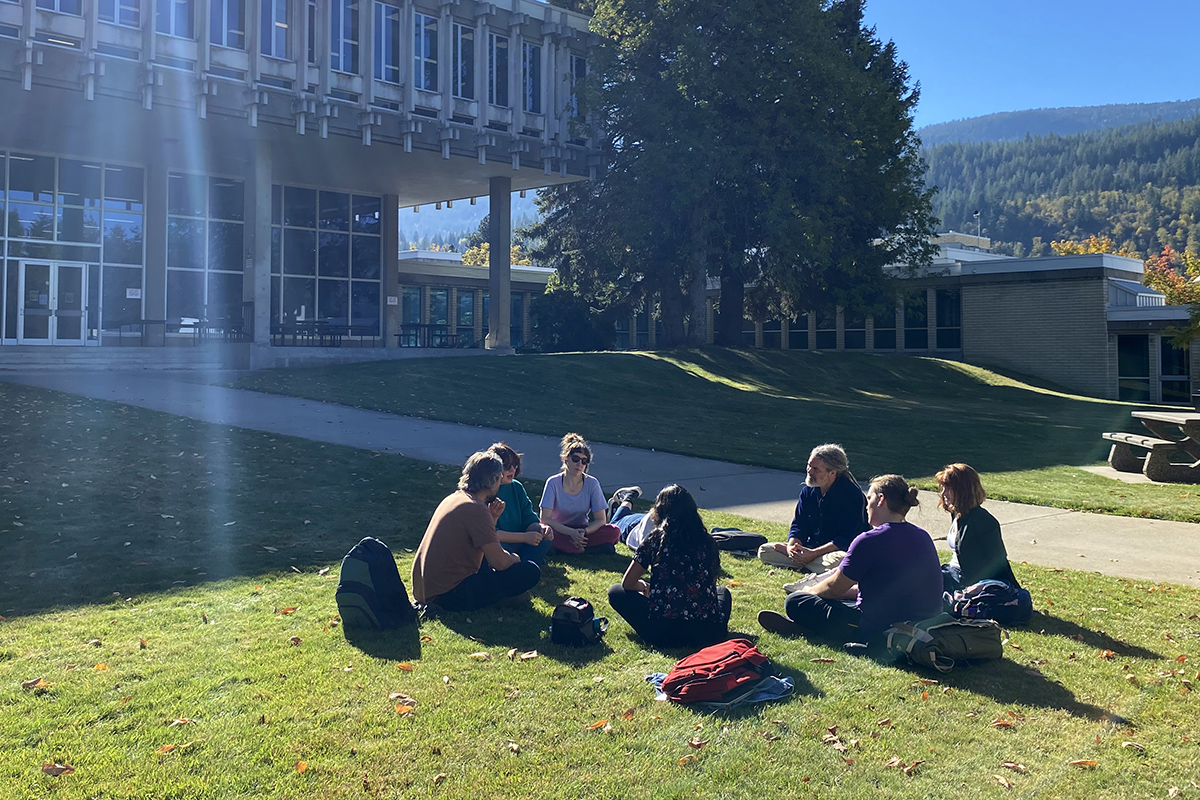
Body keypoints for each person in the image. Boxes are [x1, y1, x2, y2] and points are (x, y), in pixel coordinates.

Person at [757, 474, 942, 645]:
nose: (867, 505)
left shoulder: (869, 540)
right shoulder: (922, 536)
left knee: (796, 601)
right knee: (840, 600)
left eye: (869, 499)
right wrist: (845, 593)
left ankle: (814, 630)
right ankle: (814, 627)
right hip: (923, 623)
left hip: (881, 626)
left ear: (881, 500)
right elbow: (884, 588)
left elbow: (833, 588)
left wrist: (808, 591)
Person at [411, 451, 541, 612]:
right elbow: (500, 562)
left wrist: (492, 519)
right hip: (447, 594)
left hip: (426, 590)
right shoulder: (476, 508)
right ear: (494, 479)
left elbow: (481, 545)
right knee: (530, 571)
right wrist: (514, 559)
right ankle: (502, 599)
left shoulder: (455, 498)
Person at [607, 485, 732, 648]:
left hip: (663, 631)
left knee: (616, 591)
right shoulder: (708, 541)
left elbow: (628, 583)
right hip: (707, 632)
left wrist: (643, 586)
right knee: (722, 592)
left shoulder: (656, 539)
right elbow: (711, 585)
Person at [757, 444, 870, 584]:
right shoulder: (808, 491)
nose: (809, 471)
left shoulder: (852, 496)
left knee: (841, 561)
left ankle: (804, 562)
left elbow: (847, 539)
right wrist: (792, 546)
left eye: (816, 469)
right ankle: (805, 562)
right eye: (809, 466)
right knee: (765, 550)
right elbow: (799, 525)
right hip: (811, 549)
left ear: (832, 473)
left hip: (835, 553)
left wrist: (813, 554)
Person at [936, 463, 1021, 594]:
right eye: (943, 488)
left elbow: (998, 562)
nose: (943, 493)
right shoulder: (957, 514)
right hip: (952, 571)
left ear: (963, 490)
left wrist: (1012, 590)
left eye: (948, 489)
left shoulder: (984, 522)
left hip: (967, 580)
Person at [539, 433, 621, 554]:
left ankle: (568, 548)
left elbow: (600, 519)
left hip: (583, 531)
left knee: (614, 531)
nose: (579, 464)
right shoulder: (553, 482)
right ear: (565, 459)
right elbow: (545, 518)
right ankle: (587, 549)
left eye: (584, 461)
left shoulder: (592, 483)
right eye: (575, 459)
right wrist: (571, 532)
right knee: (542, 531)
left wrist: (584, 532)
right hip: (559, 529)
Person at [487, 442, 554, 563]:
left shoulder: (516, 487)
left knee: (545, 541)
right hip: (500, 542)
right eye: (507, 466)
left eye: (515, 465)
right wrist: (524, 538)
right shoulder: (486, 491)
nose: (512, 469)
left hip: (520, 541)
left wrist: (542, 529)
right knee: (499, 549)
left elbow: (529, 518)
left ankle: (521, 561)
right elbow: (490, 534)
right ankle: (526, 561)